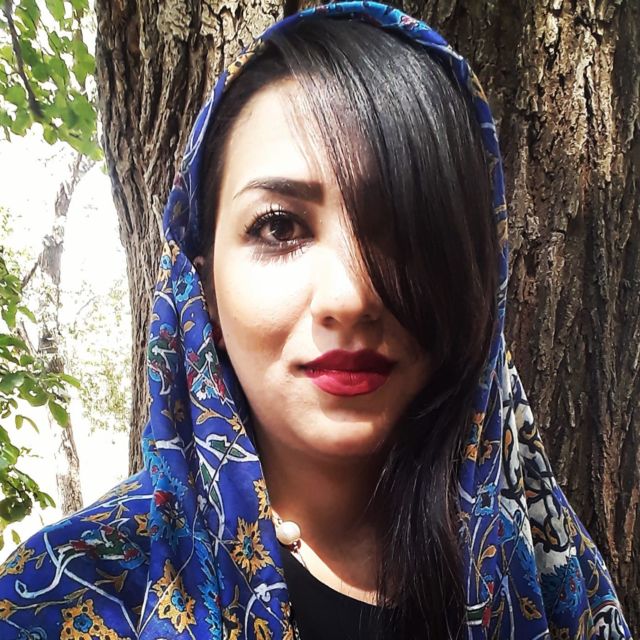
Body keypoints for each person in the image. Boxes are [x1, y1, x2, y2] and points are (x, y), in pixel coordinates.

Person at [0, 2, 631, 639]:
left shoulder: (552, 578)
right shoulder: (69, 597)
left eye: (404, 229)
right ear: (203, 287)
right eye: (279, 227)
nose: (350, 297)